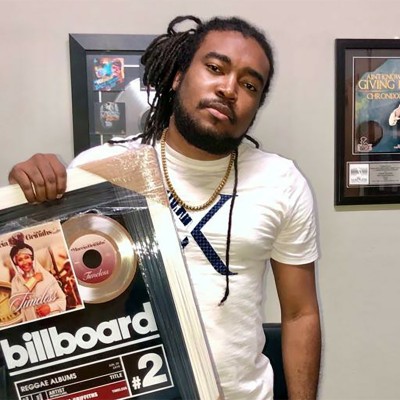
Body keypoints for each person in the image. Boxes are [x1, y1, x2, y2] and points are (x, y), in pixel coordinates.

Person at [8, 15, 321, 400]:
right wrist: (26, 203)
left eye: (249, 84)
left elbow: (300, 314)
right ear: (177, 76)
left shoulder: (282, 182)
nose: (228, 89)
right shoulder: (100, 171)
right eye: (215, 68)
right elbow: (51, 298)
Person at [8, 232, 66, 321]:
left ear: (32, 258)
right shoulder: (16, 281)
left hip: (52, 318)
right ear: (16, 263)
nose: (25, 262)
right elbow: (16, 304)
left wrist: (50, 307)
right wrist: (34, 280)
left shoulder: (47, 276)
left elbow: (62, 299)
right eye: (20, 259)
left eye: (27, 257)